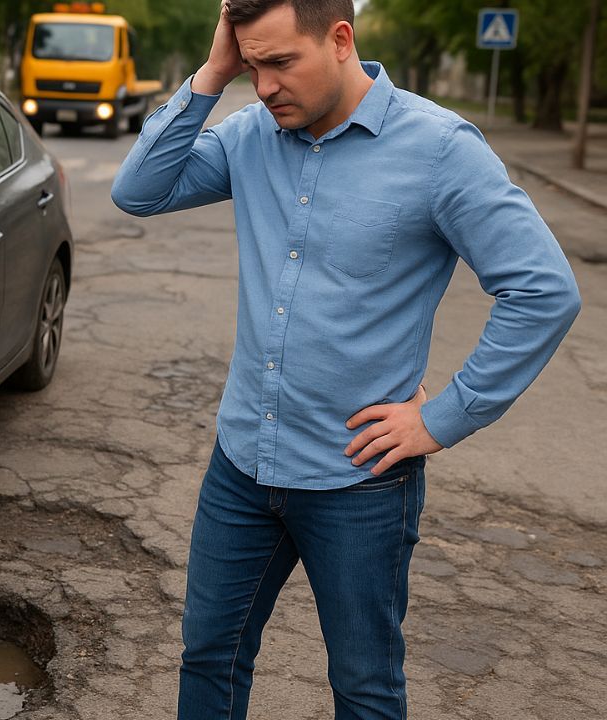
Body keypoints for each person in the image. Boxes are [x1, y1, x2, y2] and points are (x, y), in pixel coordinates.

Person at [109, 1, 581, 718]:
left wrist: (443, 418)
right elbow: (138, 192)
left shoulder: (440, 148)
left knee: (364, 687)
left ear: (339, 39)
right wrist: (212, 73)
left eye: (280, 62)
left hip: (357, 482)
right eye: (252, 64)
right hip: (241, 465)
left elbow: (542, 290)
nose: (264, 87)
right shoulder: (251, 134)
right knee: (209, 656)